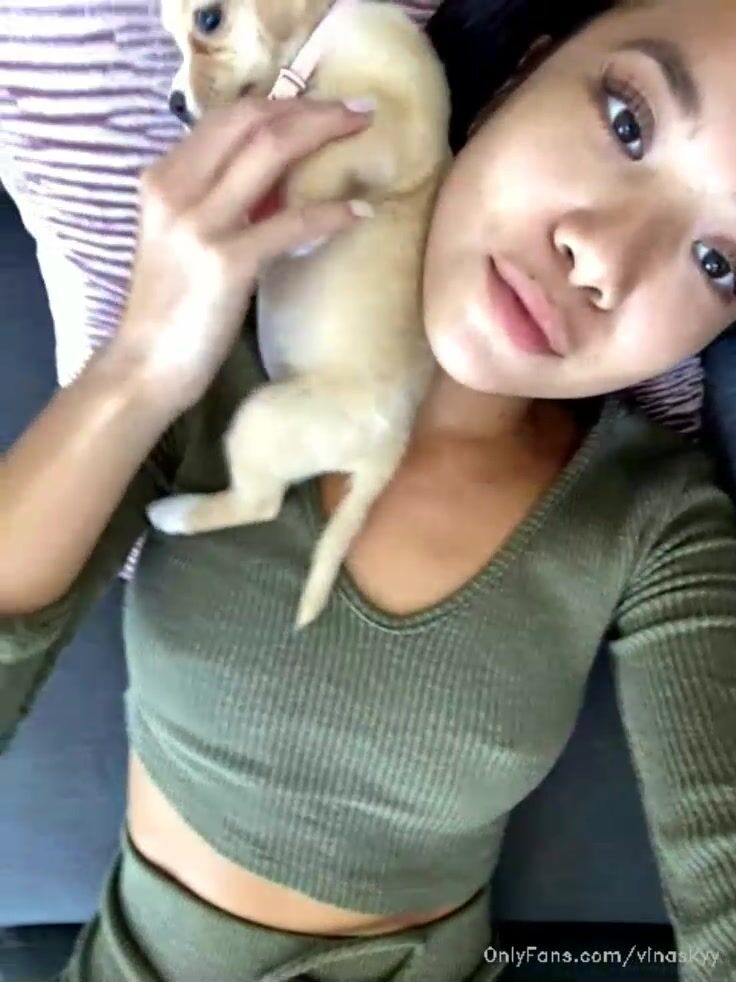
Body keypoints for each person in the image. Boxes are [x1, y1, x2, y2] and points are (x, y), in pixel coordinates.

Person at [2, 0, 736, 978]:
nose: (602, 257)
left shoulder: (654, 517)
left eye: (717, 261)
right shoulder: (212, 371)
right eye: (627, 122)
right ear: (525, 72)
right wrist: (139, 363)